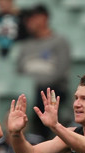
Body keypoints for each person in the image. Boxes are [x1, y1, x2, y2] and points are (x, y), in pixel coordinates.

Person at [17, 4, 71, 137]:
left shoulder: (59, 41)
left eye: (32, 17)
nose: (28, 22)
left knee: (41, 98)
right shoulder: (26, 45)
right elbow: (18, 71)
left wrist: (35, 84)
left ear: (44, 18)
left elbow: (60, 72)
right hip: (28, 91)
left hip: (53, 90)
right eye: (27, 19)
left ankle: (41, 137)